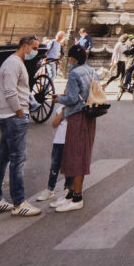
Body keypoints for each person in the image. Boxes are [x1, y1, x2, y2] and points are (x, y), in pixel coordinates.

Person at [0, 35, 42, 217]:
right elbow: (10, 92)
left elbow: (18, 89)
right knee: (18, 160)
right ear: (24, 46)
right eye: (34, 47)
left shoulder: (16, 63)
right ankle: (19, 203)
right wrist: (20, 111)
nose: (35, 51)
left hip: (11, 116)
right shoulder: (13, 64)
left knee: (2, 159)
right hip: (14, 118)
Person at [51, 45, 97, 211]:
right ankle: (70, 194)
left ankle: (77, 198)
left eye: (69, 58)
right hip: (90, 117)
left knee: (76, 156)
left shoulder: (74, 73)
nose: (68, 60)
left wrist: (58, 99)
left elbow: (71, 99)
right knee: (79, 154)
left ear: (73, 58)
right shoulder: (92, 71)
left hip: (77, 116)